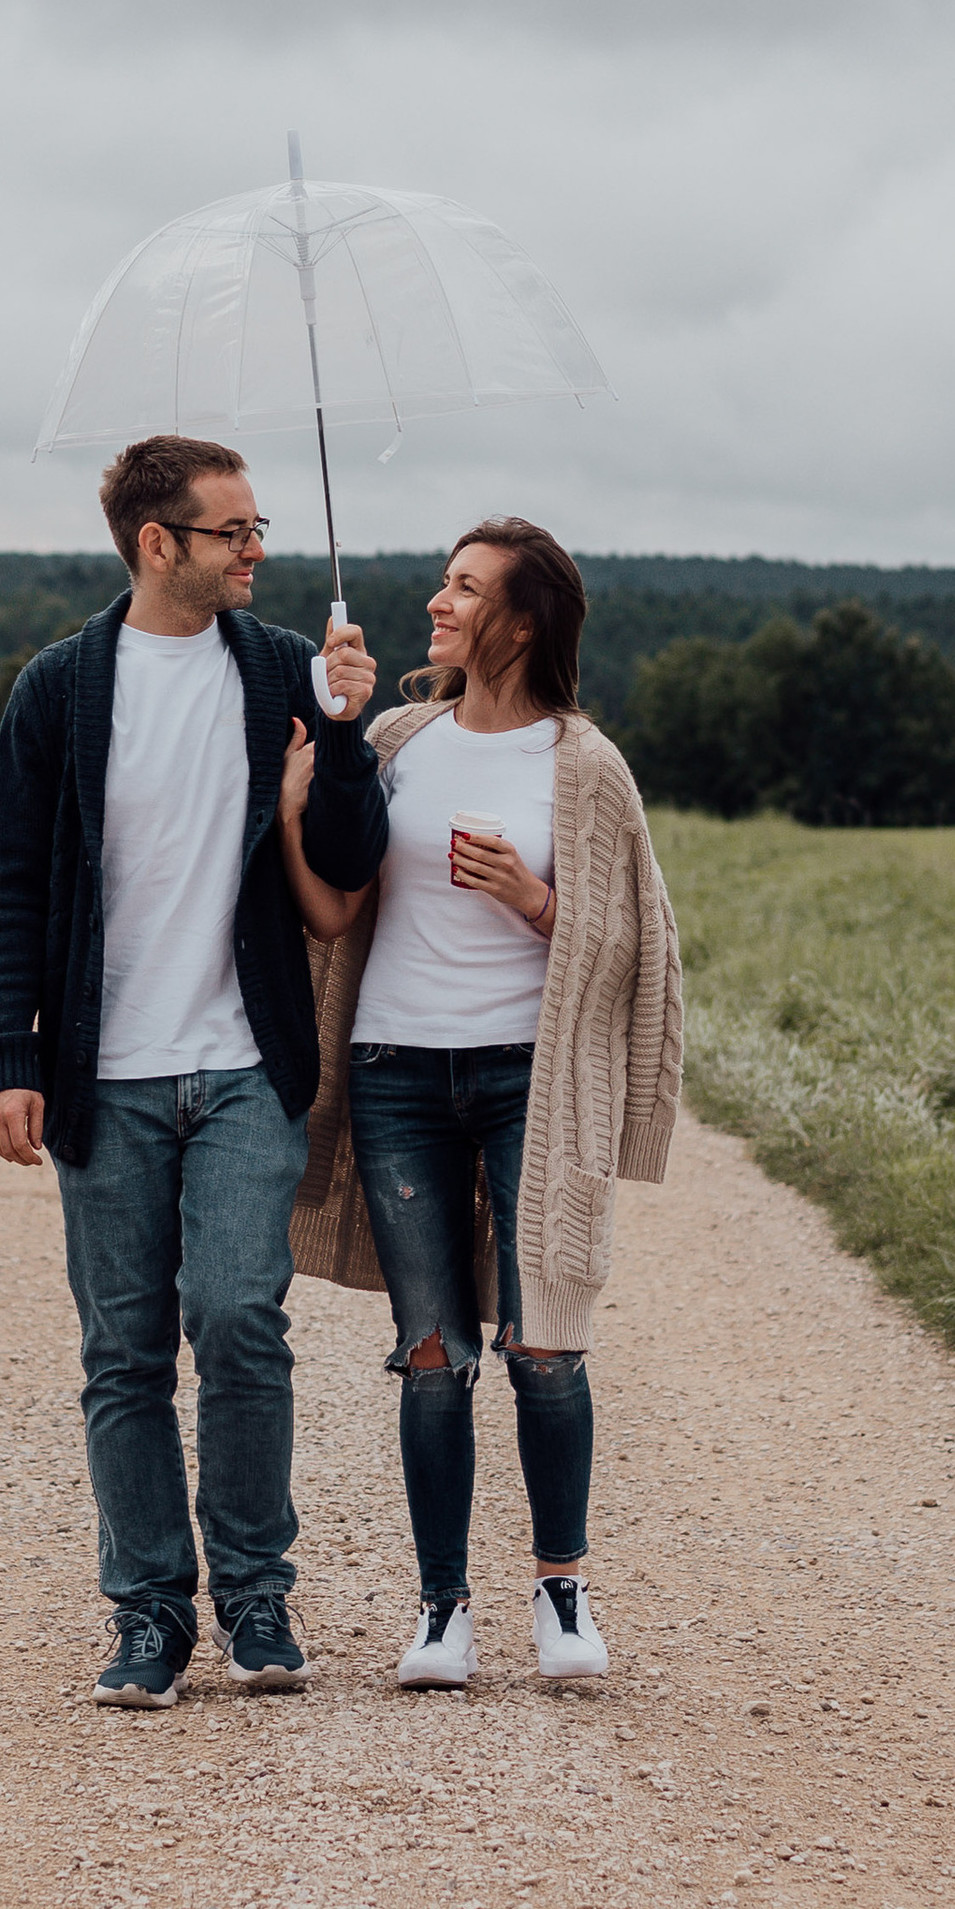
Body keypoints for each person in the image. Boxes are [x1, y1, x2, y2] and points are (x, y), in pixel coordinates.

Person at [0, 433, 385, 1707]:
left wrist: (350, 728)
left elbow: (353, 857)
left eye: (261, 531)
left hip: (246, 1062)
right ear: (160, 546)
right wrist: (8, 1055)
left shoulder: (282, 674)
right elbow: (12, 887)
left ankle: (257, 1598)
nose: (256, 551)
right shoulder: (58, 689)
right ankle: (149, 1614)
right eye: (234, 534)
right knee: (125, 1354)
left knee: (237, 1315)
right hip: (107, 1077)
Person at [279, 517, 682, 1691]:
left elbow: (642, 943)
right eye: (444, 586)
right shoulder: (401, 738)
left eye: (463, 590)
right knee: (428, 1350)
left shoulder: (584, 765)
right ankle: (441, 1609)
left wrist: (536, 901)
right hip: (398, 1074)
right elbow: (341, 891)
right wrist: (314, 782)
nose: (438, 606)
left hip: (526, 1081)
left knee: (545, 1342)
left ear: (520, 620)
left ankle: (561, 1591)